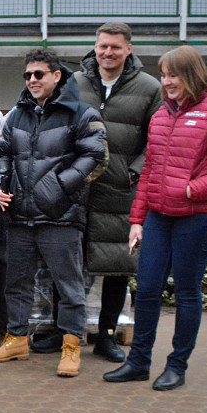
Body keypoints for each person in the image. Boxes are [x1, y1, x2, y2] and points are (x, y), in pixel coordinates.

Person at [104, 46, 207, 391]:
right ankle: (138, 362)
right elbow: (150, 170)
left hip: (198, 218)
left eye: (173, 75)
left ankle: (176, 366)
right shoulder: (161, 115)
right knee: (148, 290)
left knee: (186, 293)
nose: (166, 82)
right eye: (163, 75)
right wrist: (137, 219)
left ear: (192, 76)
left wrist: (191, 190)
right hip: (158, 218)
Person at [32, 22, 162, 362]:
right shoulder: (74, 81)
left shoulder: (149, 88)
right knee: (66, 260)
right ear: (95, 46)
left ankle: (106, 336)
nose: (108, 53)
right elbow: (55, 125)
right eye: (103, 46)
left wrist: (134, 172)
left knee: (117, 264)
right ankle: (64, 333)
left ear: (128, 49)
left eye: (116, 47)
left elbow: (157, 139)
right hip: (75, 187)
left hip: (119, 188)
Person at [0, 49, 107, 377]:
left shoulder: (82, 113)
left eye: (38, 74)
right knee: (17, 282)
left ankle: (71, 348)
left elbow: (94, 155)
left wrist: (60, 186)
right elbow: (2, 155)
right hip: (20, 215)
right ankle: (16, 340)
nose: (32, 81)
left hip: (60, 215)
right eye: (27, 75)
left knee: (69, 285)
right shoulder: (17, 115)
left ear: (57, 76)